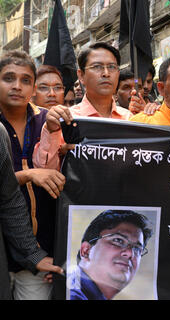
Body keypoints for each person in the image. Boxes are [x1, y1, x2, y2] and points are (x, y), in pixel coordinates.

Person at [0, 50, 66, 299]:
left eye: (25, 80)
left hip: (39, 254)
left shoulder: (49, 121)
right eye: (8, 78)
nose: (17, 86)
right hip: (4, 251)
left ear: (33, 87)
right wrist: (27, 175)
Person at [33, 42, 133, 170]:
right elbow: (45, 171)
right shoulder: (65, 120)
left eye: (112, 67)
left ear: (118, 73)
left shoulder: (130, 119)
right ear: (81, 76)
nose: (106, 73)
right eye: (97, 67)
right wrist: (51, 131)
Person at [69, 210, 152, 300]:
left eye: (137, 248)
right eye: (118, 240)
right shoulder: (70, 295)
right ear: (86, 251)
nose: (130, 253)